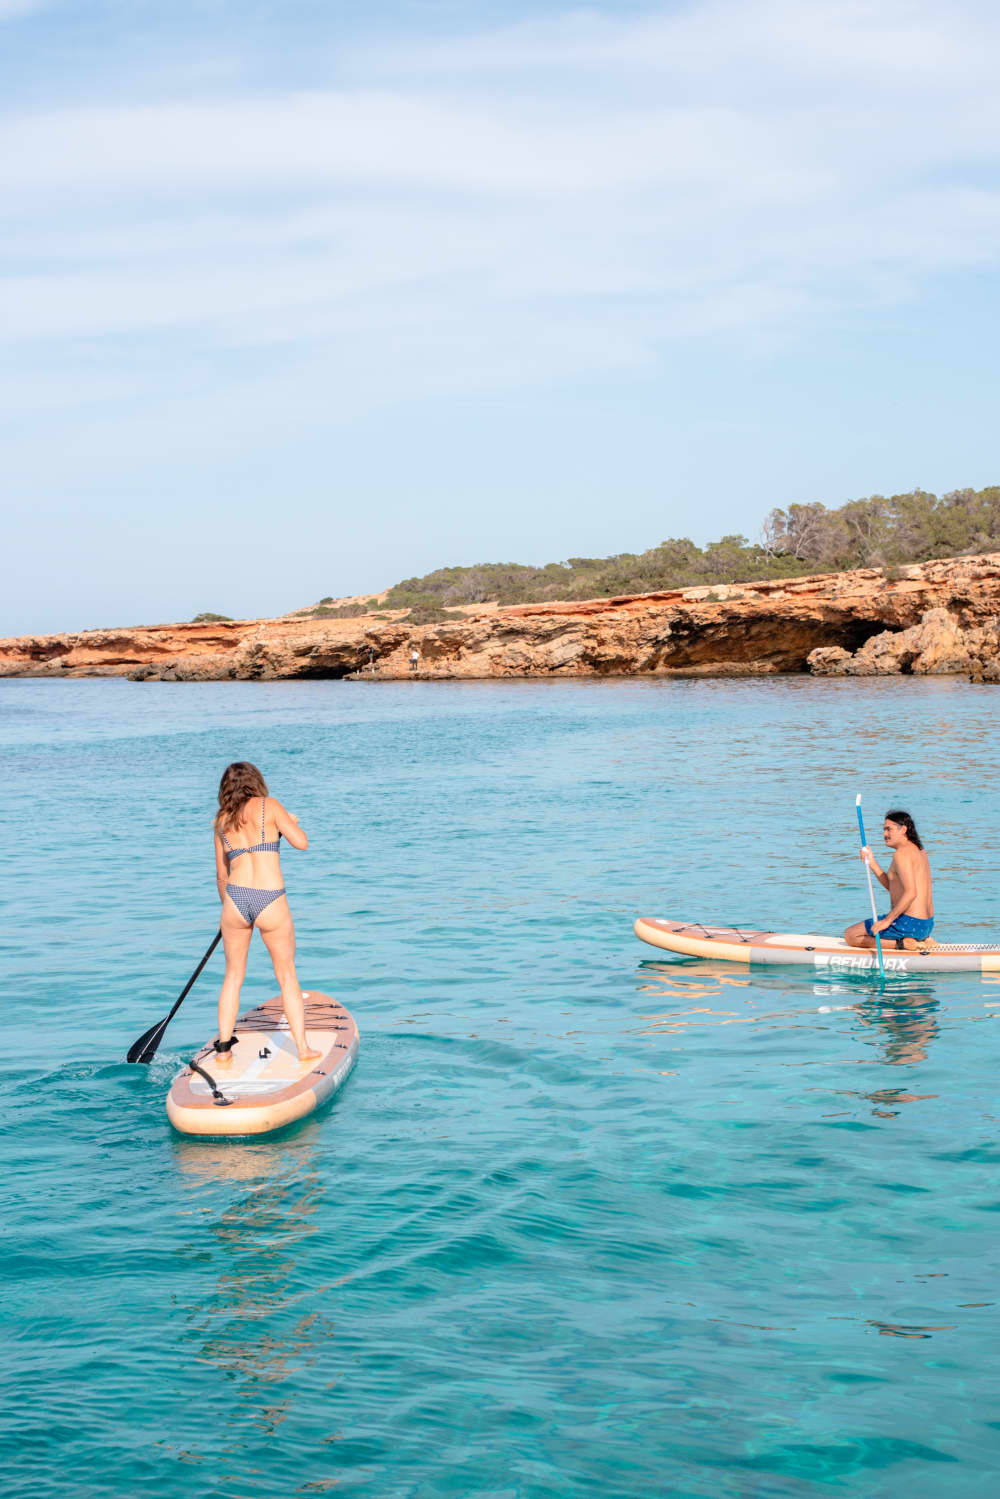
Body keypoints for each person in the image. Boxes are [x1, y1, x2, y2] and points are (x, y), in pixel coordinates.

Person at [212, 761, 320, 1065]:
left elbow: (221, 875)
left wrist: (228, 913)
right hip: (270, 900)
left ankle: (223, 1052)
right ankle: (302, 1049)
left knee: (233, 977)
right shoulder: (270, 806)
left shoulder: (222, 821)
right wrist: (289, 823)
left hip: (234, 901)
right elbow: (302, 842)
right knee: (287, 976)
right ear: (256, 782)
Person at [845, 809, 935, 950]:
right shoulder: (919, 851)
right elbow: (893, 887)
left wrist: (887, 921)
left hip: (908, 924)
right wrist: (872, 862)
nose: (884, 834)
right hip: (926, 925)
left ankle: (902, 943)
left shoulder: (902, 855)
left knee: (851, 935)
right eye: (884, 830)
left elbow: (911, 893)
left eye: (889, 829)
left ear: (903, 829)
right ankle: (920, 939)